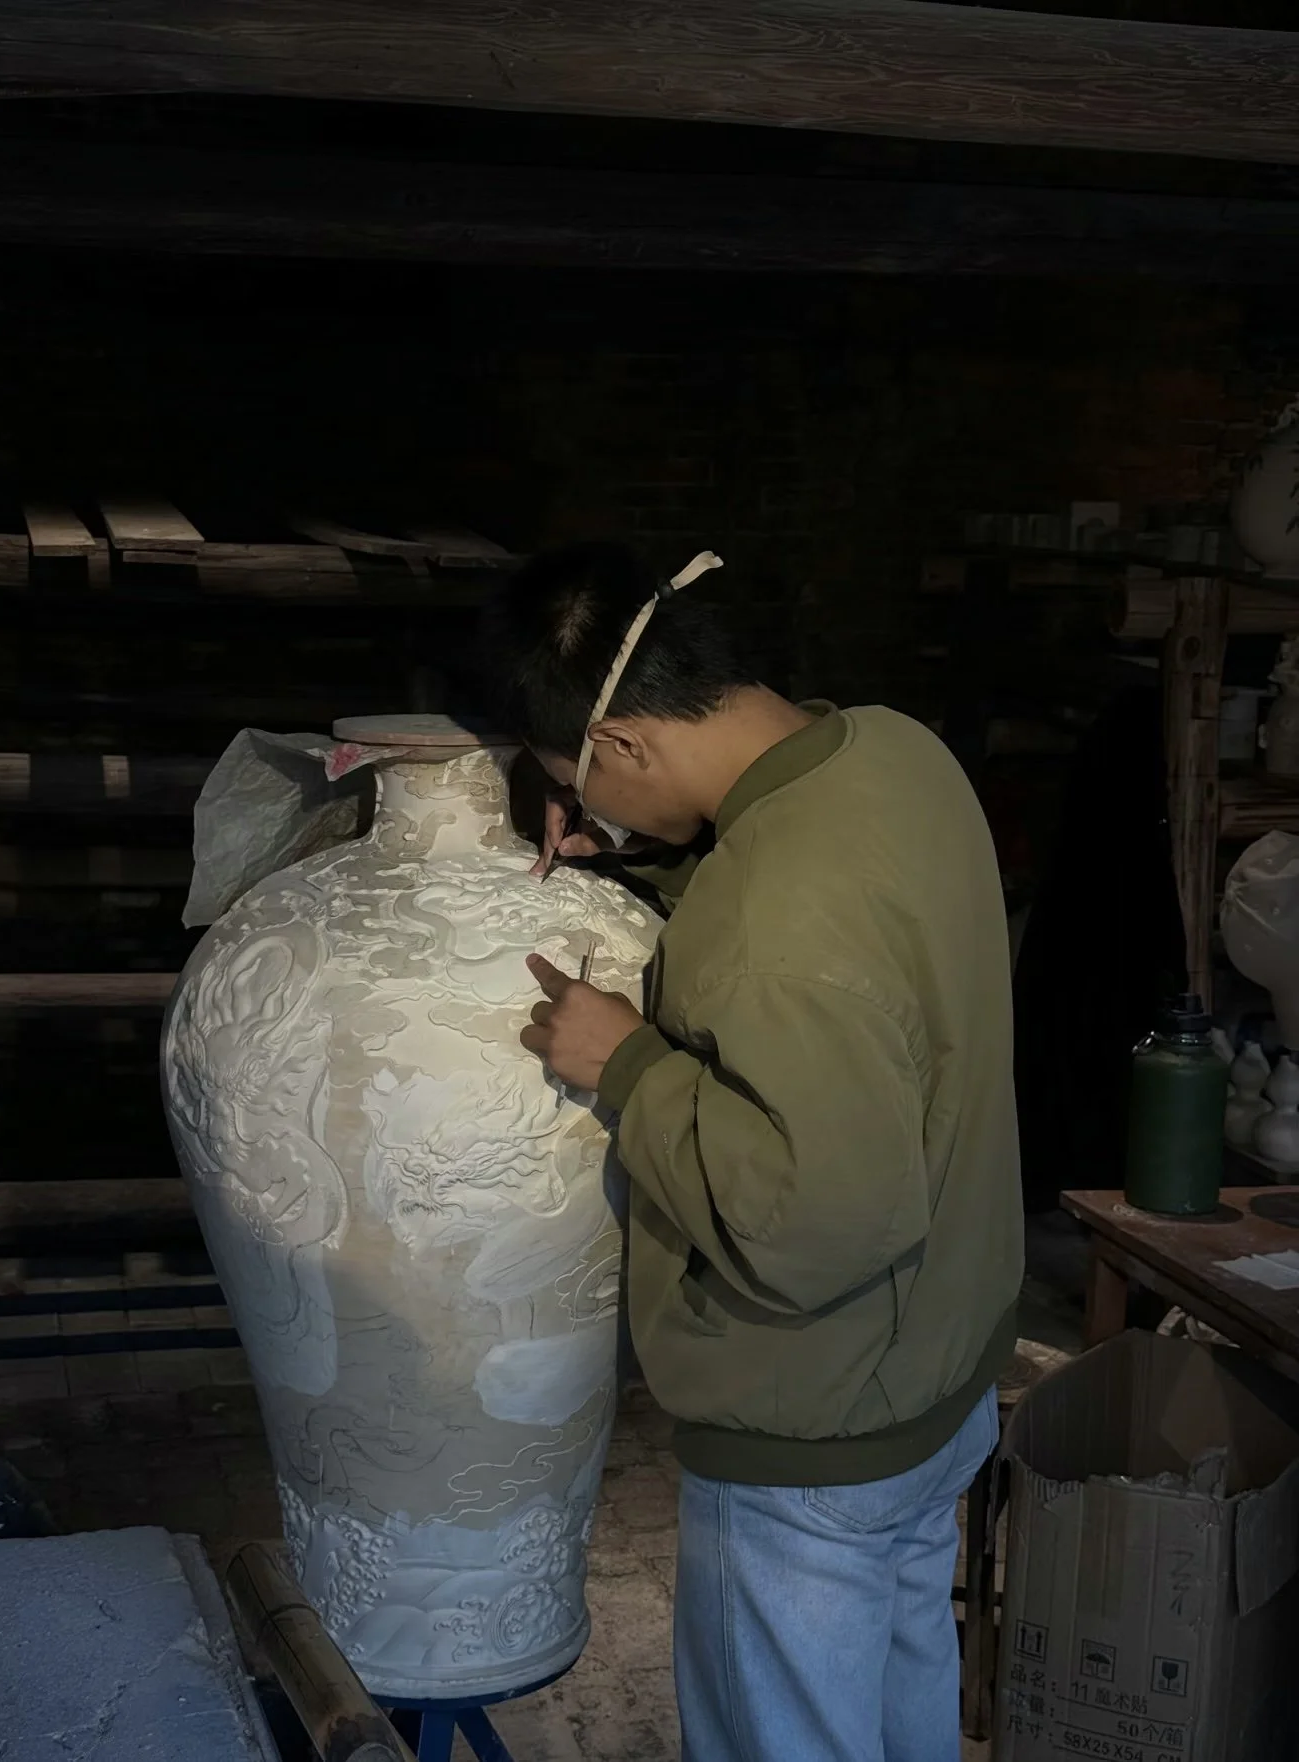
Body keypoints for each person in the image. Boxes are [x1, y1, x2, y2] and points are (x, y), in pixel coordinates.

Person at [484, 540, 1024, 1762]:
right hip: (940, 1376)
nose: (587, 808)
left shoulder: (769, 920)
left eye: (581, 778)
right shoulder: (895, 749)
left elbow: (815, 1219)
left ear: (622, 740)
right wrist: (665, 859)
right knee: (897, 1708)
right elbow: (849, 947)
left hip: (814, 1433)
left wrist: (622, 1060)